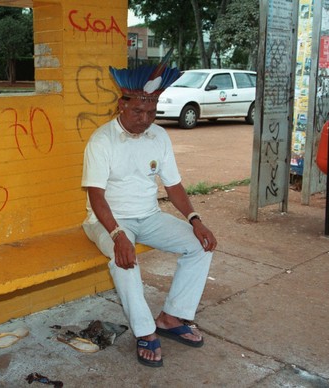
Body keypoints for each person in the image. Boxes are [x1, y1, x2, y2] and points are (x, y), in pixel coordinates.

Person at [81, 52, 217, 368]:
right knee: (124, 261)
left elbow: (174, 187)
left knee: (201, 245)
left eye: (152, 111)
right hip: (108, 220)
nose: (145, 118)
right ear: (122, 105)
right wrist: (117, 235)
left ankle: (172, 317)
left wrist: (196, 220)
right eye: (139, 110)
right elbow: (96, 196)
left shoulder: (159, 136)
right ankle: (145, 332)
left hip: (149, 216)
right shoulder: (101, 141)